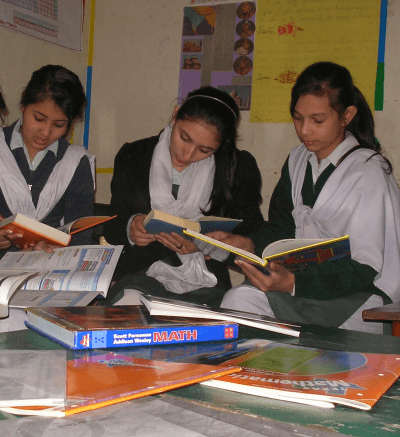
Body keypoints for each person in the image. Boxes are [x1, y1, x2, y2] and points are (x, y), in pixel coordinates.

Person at [216, 61, 400, 334]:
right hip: (303, 282)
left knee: (242, 303)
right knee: (238, 300)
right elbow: (281, 228)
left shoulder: (367, 173)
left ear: (347, 115)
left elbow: (365, 267)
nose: (304, 130)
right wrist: (247, 244)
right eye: (297, 118)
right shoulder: (298, 160)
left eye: (317, 120)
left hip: (360, 296)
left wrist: (292, 284)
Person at [103, 85, 264, 305]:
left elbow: (251, 232)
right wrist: (132, 228)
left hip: (206, 281)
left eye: (204, 150)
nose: (187, 154)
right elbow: (112, 224)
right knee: (130, 312)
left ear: (222, 144)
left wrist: (210, 245)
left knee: (208, 326)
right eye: (184, 138)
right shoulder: (134, 155)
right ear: (175, 114)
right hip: (140, 273)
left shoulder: (238, 167)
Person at [0, 65, 95, 254]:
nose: (45, 132)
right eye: (38, 118)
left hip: (50, 273)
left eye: (59, 125)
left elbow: (81, 237)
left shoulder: (76, 162)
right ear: (23, 106)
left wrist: (55, 248)